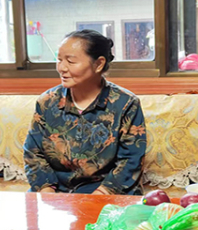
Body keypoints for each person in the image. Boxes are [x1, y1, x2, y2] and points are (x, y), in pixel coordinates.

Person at [24, 29, 146, 194]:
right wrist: (47, 192)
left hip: (105, 191)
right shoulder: (47, 101)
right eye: (59, 60)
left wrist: (98, 196)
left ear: (98, 64)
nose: (61, 68)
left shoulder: (126, 104)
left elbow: (130, 160)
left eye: (71, 61)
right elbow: (33, 153)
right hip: (56, 190)